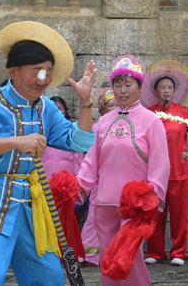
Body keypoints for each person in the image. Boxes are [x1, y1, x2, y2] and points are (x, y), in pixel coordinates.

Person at [0, 21, 96, 286]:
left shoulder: (46, 108)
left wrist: (86, 102)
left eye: (48, 72)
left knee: (49, 278)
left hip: (32, 209)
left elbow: (77, 141)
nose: (43, 79)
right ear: (14, 71)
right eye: (37, 71)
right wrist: (15, 142)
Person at [75, 55, 170, 286]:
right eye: (117, 84)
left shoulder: (152, 122)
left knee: (130, 260)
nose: (122, 90)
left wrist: (151, 198)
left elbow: (160, 165)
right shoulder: (104, 122)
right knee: (109, 261)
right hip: (105, 203)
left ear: (140, 86)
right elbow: (91, 163)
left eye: (129, 84)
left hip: (135, 208)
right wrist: (77, 191)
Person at [140, 60, 188, 266]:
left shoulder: (183, 113)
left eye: (169, 87)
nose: (166, 91)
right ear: (156, 90)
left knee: (180, 215)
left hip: (179, 172)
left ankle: (179, 252)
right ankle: (155, 251)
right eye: (162, 87)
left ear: (174, 91)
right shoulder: (148, 113)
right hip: (154, 173)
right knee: (155, 213)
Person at [80, 87, 117, 267]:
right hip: (100, 179)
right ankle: (89, 254)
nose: (113, 107)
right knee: (94, 216)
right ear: (102, 108)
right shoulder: (96, 128)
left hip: (120, 179)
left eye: (115, 104)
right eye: (110, 104)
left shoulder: (123, 125)